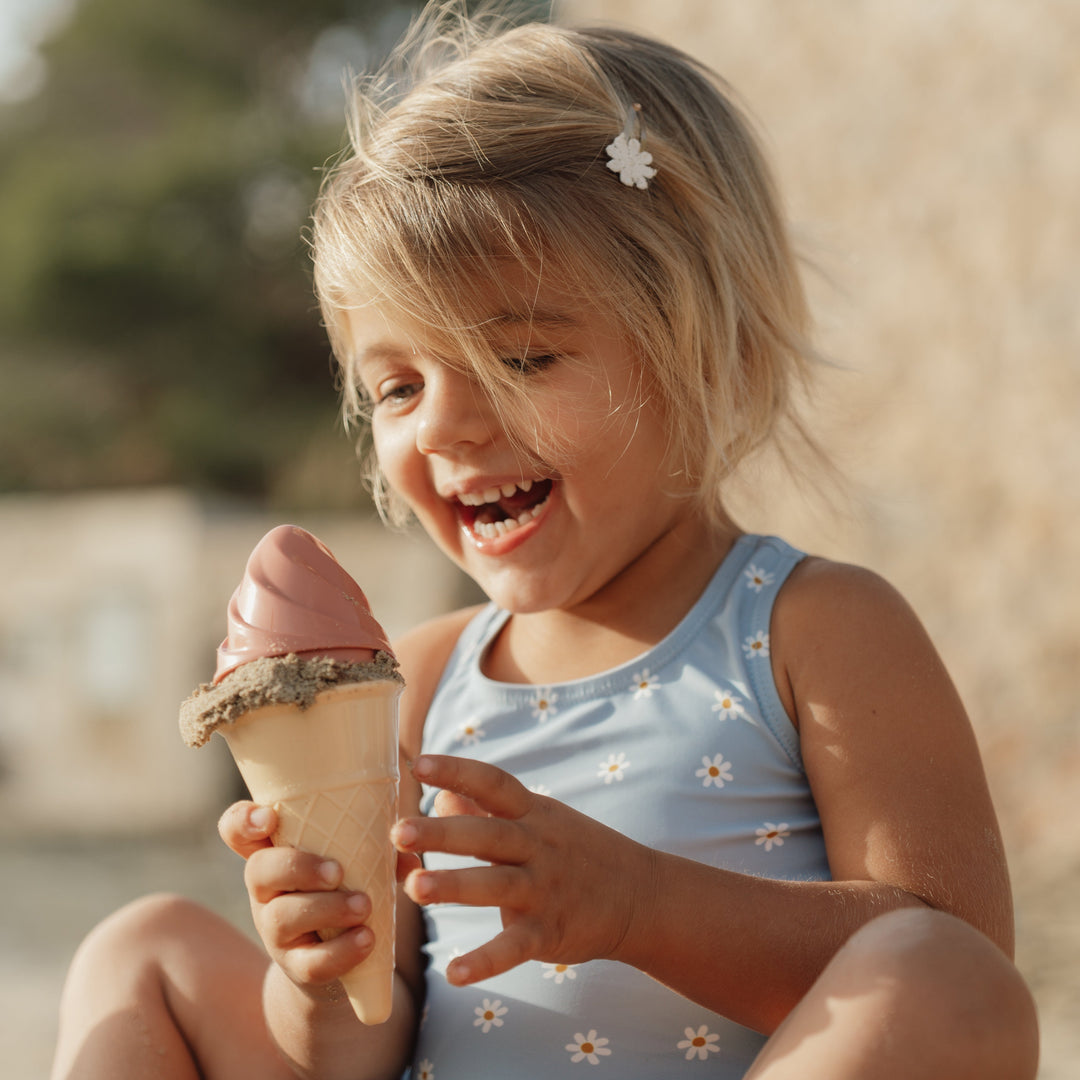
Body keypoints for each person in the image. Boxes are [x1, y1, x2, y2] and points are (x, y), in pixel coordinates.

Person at [51, 4, 1039, 1078]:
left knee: (938, 971)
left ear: (703, 351)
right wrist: (319, 972)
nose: (445, 425)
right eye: (398, 385)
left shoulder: (814, 630)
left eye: (521, 358)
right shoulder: (420, 684)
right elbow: (352, 1057)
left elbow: (964, 989)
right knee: (138, 948)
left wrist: (641, 908)